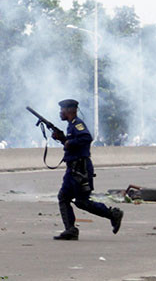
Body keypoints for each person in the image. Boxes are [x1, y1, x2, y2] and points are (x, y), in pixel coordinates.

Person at [51, 99, 124, 240]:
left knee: (81, 201)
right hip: (73, 168)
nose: (60, 112)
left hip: (80, 169)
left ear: (70, 110)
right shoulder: (71, 126)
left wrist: (68, 142)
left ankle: (112, 214)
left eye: (63, 110)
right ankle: (70, 229)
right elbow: (74, 145)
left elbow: (86, 138)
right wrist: (62, 139)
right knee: (64, 197)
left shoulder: (77, 124)